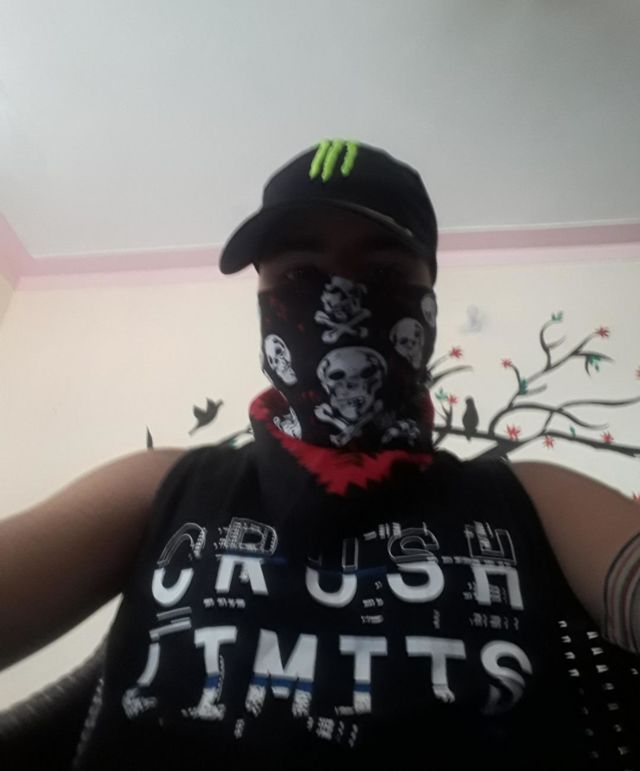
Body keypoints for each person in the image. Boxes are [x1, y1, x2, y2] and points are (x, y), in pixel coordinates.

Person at [1, 139, 639, 770]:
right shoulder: (160, 487)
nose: (342, 298)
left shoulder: (535, 499)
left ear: (428, 307)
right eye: (300, 276)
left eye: (383, 274)